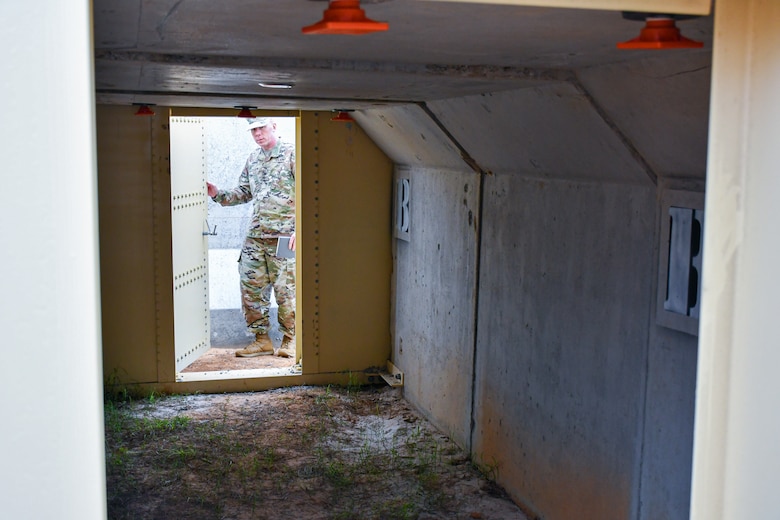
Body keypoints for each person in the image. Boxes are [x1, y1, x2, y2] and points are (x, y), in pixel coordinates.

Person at [206, 117, 296, 358]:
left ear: (274, 126)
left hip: (285, 237)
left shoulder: (292, 154)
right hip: (256, 237)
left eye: (261, 128)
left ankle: (291, 339)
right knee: (251, 289)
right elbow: (243, 192)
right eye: (253, 130)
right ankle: (261, 340)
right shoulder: (253, 159)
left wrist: (301, 229)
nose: (257, 134)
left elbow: (311, 193)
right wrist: (217, 194)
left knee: (286, 289)